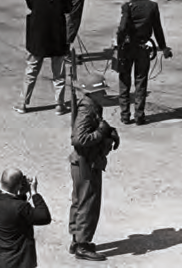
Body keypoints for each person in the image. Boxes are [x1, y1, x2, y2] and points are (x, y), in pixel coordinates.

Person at [70, 78, 120, 261]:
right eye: (102, 92)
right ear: (94, 93)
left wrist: (110, 131)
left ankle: (77, 240)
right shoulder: (87, 109)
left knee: (80, 201)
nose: (105, 95)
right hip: (86, 162)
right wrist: (101, 132)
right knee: (88, 204)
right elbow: (78, 139)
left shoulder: (92, 105)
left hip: (84, 161)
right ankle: (82, 246)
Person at [115, 0, 172, 125]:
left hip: (126, 48)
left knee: (124, 81)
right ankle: (139, 115)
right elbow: (157, 29)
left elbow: (121, 28)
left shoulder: (127, 7)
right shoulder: (152, 6)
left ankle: (125, 116)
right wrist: (164, 47)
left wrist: (118, 43)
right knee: (141, 81)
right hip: (143, 47)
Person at [17, 0, 70, 115]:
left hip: (37, 39)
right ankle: (59, 105)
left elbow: (31, 5)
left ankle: (22, 104)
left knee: (31, 71)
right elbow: (69, 9)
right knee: (58, 74)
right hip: (57, 38)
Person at [0, 168, 51, 268]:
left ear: (1, 181)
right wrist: (34, 192)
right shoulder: (21, 207)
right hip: (16, 261)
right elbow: (44, 217)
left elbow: (9, 203)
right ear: (19, 185)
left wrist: (21, 192)